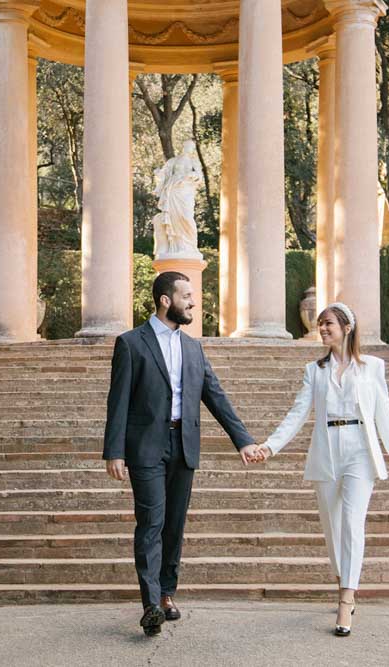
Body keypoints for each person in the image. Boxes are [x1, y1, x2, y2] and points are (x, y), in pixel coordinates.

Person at [103, 271, 261, 637]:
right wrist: (114, 451)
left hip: (184, 446)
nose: (193, 302)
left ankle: (167, 594)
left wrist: (243, 440)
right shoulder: (131, 343)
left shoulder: (193, 347)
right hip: (145, 449)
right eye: (186, 295)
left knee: (174, 525)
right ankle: (150, 603)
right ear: (165, 300)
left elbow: (215, 395)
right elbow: (119, 400)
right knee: (151, 523)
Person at [254, 302, 389, 637]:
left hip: (360, 450)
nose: (322, 328)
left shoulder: (372, 367)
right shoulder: (315, 370)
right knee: (332, 527)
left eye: (328, 324)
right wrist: (271, 445)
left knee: (352, 523)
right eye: (320, 324)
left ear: (346, 327)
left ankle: (346, 599)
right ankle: (345, 578)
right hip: (327, 451)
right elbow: (297, 413)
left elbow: (383, 414)